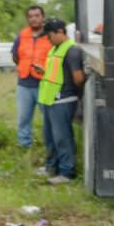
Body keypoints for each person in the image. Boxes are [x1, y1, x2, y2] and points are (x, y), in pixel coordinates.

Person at [37, 18, 86, 185]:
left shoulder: (72, 51)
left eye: (49, 35)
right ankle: (51, 167)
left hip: (63, 100)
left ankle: (67, 172)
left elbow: (78, 78)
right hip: (50, 99)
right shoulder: (55, 48)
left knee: (62, 138)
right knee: (50, 137)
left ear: (59, 32)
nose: (48, 39)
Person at [11, 5, 52, 149]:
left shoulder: (50, 35)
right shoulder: (22, 35)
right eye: (31, 16)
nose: (34, 19)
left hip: (44, 84)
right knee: (23, 118)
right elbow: (15, 56)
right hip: (24, 84)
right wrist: (24, 66)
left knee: (49, 118)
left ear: (43, 17)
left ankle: (50, 146)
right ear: (27, 19)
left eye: (37, 16)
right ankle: (24, 146)